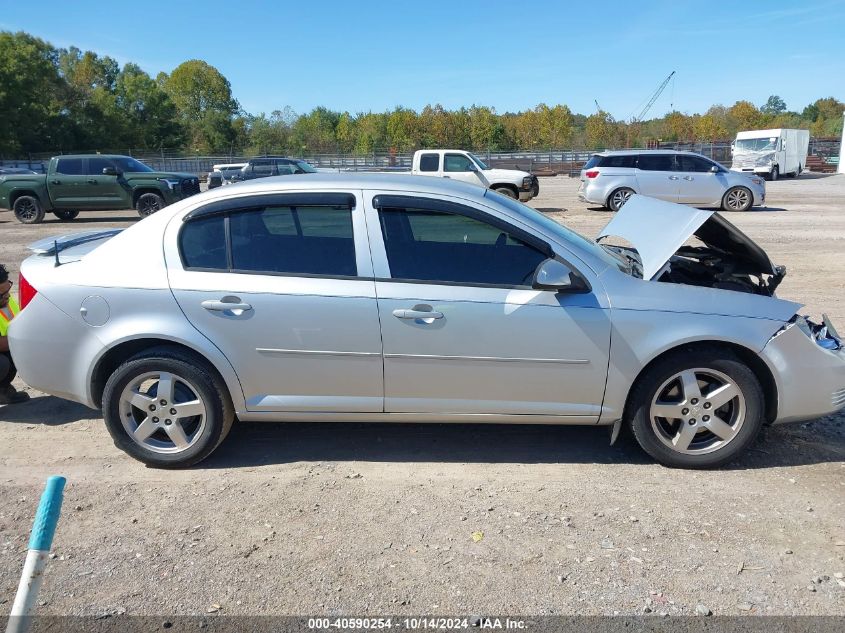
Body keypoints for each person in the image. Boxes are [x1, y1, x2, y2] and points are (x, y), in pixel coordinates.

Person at [0, 264, 29, 404]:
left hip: (7, 349)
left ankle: (2, 390)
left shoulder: (7, 300)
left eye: (7, 290)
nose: (7, 296)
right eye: (1, 294)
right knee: (2, 363)